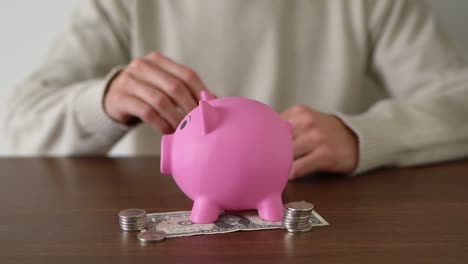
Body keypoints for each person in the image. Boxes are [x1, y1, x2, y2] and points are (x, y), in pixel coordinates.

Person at [5, 0, 468, 179]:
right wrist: (104, 101)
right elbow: (18, 128)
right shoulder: (123, 4)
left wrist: (361, 134)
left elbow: (459, 100)